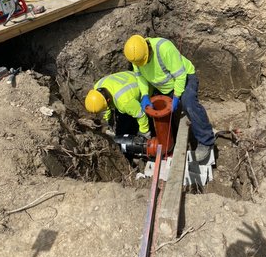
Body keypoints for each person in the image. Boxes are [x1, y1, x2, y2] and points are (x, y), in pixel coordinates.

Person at [123, 34, 215, 162]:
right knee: (158, 110)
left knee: (189, 103)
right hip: (164, 88)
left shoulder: (164, 48)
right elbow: (141, 77)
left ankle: (206, 141)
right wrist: (144, 94)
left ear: (148, 48)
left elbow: (181, 76)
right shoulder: (137, 58)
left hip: (185, 77)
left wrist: (177, 96)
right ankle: (169, 142)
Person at [85, 70, 151, 139]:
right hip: (131, 75)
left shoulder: (124, 102)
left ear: (108, 100)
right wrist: (107, 120)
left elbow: (141, 114)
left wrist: (144, 132)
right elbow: (105, 104)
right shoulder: (98, 86)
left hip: (146, 87)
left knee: (127, 119)